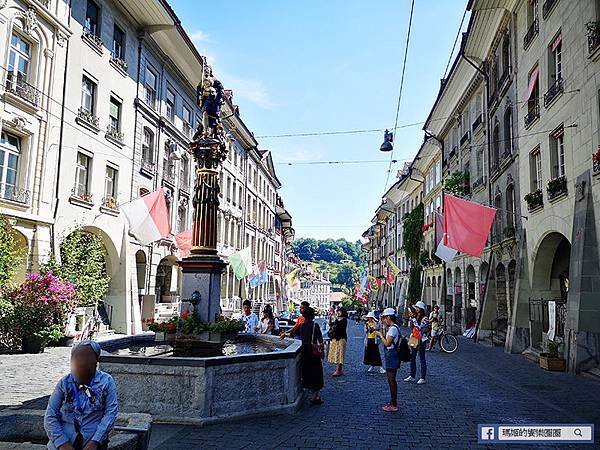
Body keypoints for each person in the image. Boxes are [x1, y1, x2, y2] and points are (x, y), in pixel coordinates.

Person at [44, 341, 118, 450]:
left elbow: (111, 413)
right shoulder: (64, 382)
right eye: (77, 358)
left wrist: (96, 441)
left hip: (93, 441)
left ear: (96, 361)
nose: (83, 362)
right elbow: (50, 415)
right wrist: (62, 443)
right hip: (63, 442)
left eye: (88, 358)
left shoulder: (106, 381)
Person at [290, 306, 324, 405]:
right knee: (317, 372)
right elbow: (320, 339)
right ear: (313, 315)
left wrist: (284, 334)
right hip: (313, 351)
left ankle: (309, 392)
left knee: (307, 371)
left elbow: (293, 334)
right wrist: (322, 350)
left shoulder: (302, 325)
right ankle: (316, 396)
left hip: (304, 350)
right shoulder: (315, 325)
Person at [374, 308, 402, 412]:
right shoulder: (394, 327)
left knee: (391, 380)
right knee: (391, 379)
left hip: (392, 355)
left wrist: (380, 335)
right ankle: (393, 401)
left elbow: (387, 343)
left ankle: (394, 404)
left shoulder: (393, 329)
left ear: (389, 317)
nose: (384, 320)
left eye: (385, 318)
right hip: (392, 354)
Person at [404, 301, 429, 385]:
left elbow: (419, 328)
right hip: (414, 338)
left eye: (417, 308)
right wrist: (411, 319)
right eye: (416, 307)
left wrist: (413, 319)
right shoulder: (416, 316)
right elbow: (411, 327)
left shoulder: (425, 318)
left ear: (421, 309)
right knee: (412, 357)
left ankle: (423, 377)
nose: (416, 309)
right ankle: (412, 375)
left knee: (422, 359)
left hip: (422, 340)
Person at [327, 307, 348, 377]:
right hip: (336, 338)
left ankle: (338, 370)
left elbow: (339, 326)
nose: (338, 313)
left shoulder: (344, 320)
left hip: (341, 339)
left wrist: (335, 317)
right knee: (337, 353)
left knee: (340, 354)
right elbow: (331, 324)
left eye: (339, 311)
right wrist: (330, 317)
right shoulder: (338, 319)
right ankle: (339, 370)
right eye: (338, 311)